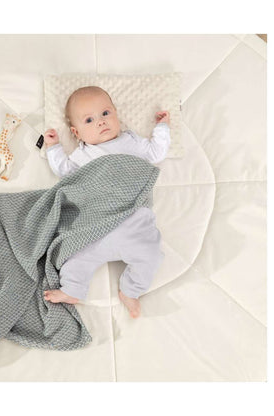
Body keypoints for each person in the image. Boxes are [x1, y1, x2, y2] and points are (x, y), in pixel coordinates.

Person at [43, 86, 170, 318]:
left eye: (105, 113)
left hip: (134, 224)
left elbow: (156, 153)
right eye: (89, 120)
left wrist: (162, 129)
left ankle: (130, 291)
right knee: (75, 255)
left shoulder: (131, 142)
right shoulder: (83, 154)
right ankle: (72, 289)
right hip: (97, 227)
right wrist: (54, 148)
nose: (101, 122)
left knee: (152, 256)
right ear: (76, 132)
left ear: (116, 113)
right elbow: (65, 171)